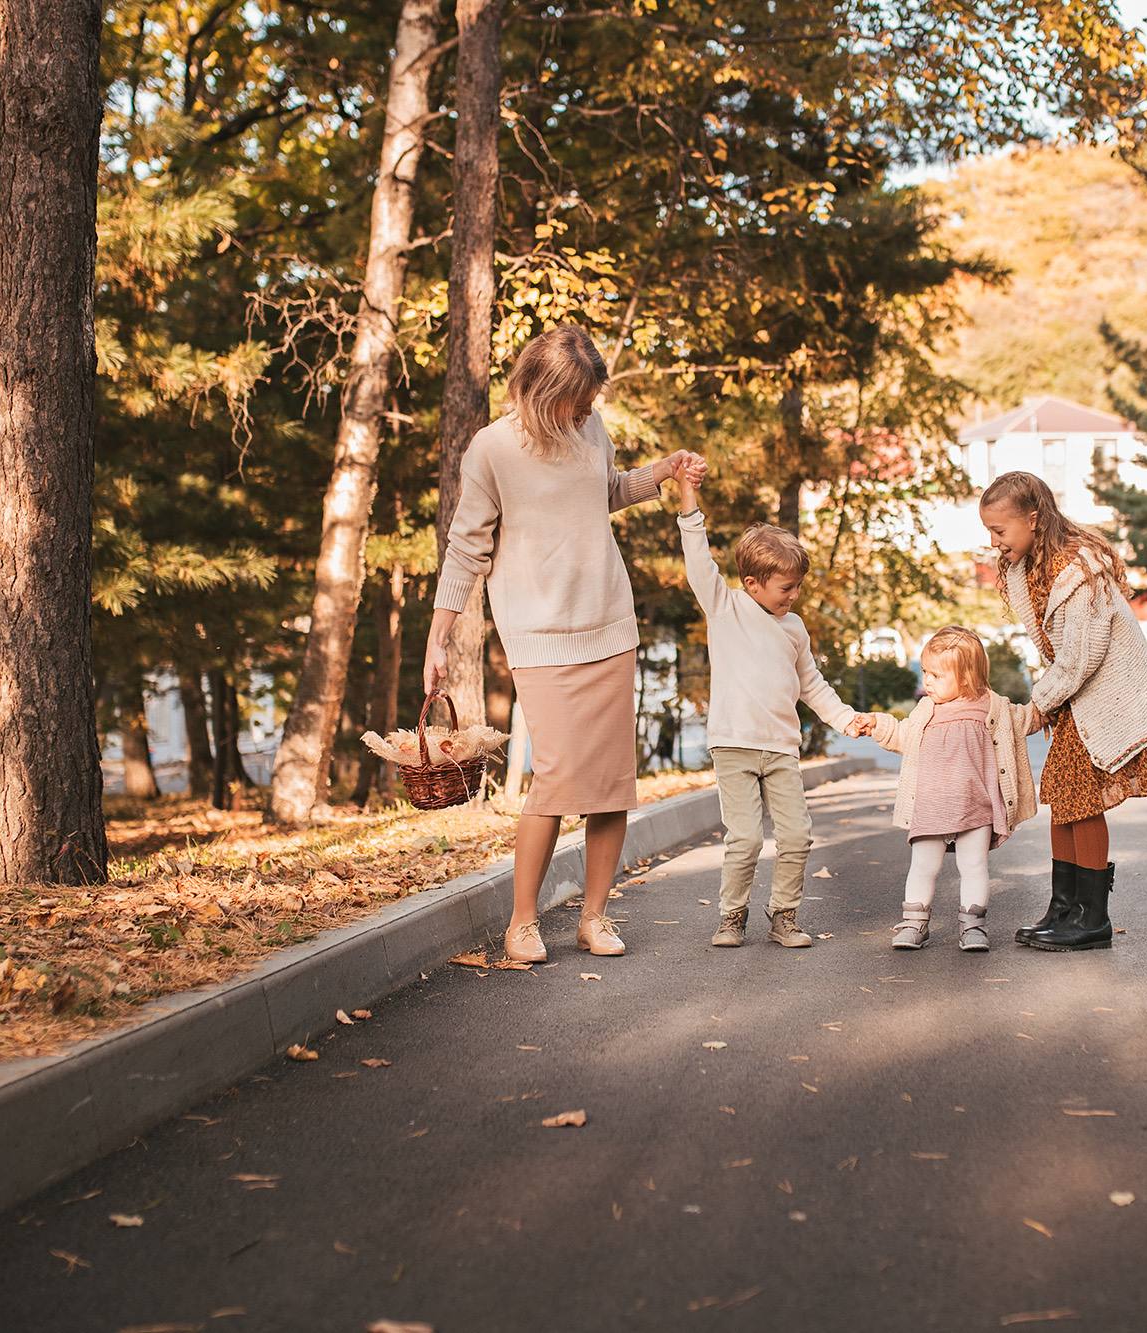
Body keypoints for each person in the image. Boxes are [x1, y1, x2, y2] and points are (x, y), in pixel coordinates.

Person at [424, 324, 703, 964]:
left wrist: (660, 472)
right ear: (541, 390)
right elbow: (466, 547)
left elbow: (605, 493)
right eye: (573, 402)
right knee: (554, 777)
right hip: (538, 634)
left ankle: (594, 918)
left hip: (609, 622)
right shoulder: (492, 448)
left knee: (610, 782)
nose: (582, 412)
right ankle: (523, 923)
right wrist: (438, 639)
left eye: (588, 403)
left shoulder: (590, 429)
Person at [978, 472, 1147, 951]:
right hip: (1076, 697)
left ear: (1034, 518)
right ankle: (1064, 907)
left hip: (1108, 697)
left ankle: (1093, 918)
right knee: (1064, 797)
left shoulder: (1078, 572)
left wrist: (1034, 708)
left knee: (1081, 801)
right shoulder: (1032, 565)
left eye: (1000, 531)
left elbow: (1080, 658)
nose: (994, 543)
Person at [676, 464, 859, 948]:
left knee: (797, 836)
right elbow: (698, 562)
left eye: (798, 586)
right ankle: (731, 916)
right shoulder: (726, 608)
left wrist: (845, 719)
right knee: (747, 840)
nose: (794, 595)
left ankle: (784, 916)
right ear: (753, 583)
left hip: (780, 749)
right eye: (786, 588)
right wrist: (687, 500)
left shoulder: (794, 628)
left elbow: (812, 685)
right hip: (734, 746)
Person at [850, 626, 1041, 951]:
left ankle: (973, 926)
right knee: (924, 866)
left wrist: (1052, 702)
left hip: (976, 806)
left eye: (936, 675)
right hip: (930, 806)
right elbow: (902, 736)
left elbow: (1030, 718)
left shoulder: (993, 709)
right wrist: (878, 725)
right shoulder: (927, 711)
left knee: (974, 866)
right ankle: (914, 923)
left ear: (966, 677)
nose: (926, 681)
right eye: (925, 672)